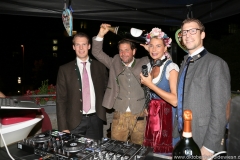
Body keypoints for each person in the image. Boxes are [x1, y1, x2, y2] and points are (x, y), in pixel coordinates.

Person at [173, 18, 231, 159]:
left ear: (202, 35)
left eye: (193, 31)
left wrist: (210, 146)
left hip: (204, 139)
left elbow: (222, 109)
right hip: (183, 135)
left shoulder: (215, 63)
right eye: (184, 32)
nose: (187, 35)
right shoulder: (185, 63)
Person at [92, 23, 149, 145]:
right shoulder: (114, 62)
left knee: (138, 149)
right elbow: (96, 52)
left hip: (139, 114)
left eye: (126, 50)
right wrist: (101, 34)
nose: (123, 53)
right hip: (119, 114)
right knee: (116, 148)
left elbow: (165, 57)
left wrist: (150, 48)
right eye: (121, 50)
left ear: (134, 51)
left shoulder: (144, 61)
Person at [56, 32, 108, 140]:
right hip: (74, 122)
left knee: (95, 153)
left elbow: (107, 89)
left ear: (89, 46)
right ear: (73, 47)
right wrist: (63, 127)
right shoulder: (64, 70)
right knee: (74, 154)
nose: (81, 48)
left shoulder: (100, 67)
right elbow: (60, 100)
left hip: (96, 120)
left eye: (84, 44)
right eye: (78, 45)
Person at [139, 27, 179, 153]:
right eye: (151, 46)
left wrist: (150, 85)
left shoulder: (171, 67)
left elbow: (175, 100)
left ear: (165, 48)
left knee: (165, 154)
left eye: (158, 46)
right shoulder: (150, 66)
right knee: (151, 152)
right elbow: (150, 92)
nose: (154, 49)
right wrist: (147, 105)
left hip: (167, 116)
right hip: (153, 115)